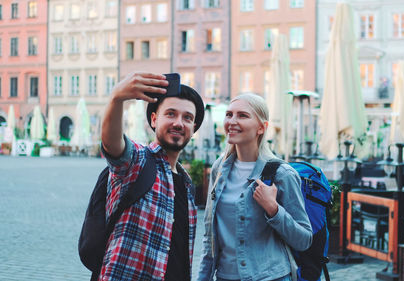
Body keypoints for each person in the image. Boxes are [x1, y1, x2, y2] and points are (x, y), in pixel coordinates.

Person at [100, 71, 204, 280]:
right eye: (171, 114)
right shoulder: (137, 160)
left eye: (187, 118)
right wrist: (116, 98)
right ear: (154, 120)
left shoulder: (187, 184)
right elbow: (112, 144)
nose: (178, 123)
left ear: (193, 129)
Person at [197, 93, 313, 281]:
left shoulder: (282, 174)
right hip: (224, 277)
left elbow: (304, 239)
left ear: (261, 127)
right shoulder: (219, 168)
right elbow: (209, 234)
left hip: (269, 277)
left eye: (242, 115)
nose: (232, 121)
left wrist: (274, 210)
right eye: (229, 114)